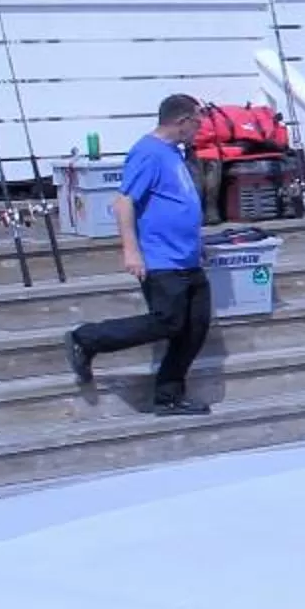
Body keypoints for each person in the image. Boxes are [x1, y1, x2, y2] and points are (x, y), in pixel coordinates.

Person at [66, 92, 213, 416]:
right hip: (162, 259)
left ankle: (169, 396)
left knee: (195, 327)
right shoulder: (147, 153)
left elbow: (177, 201)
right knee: (167, 322)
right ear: (181, 121)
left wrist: (196, 241)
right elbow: (123, 203)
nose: (200, 129)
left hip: (187, 257)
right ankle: (87, 338)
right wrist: (131, 252)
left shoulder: (174, 153)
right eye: (197, 122)